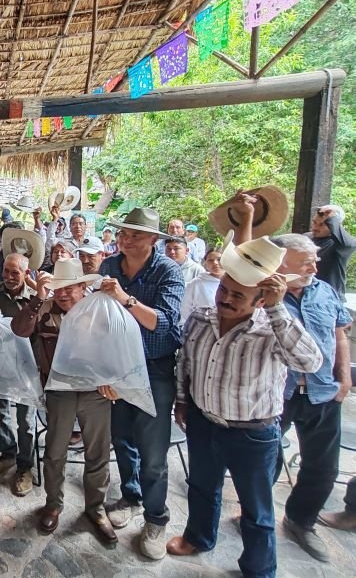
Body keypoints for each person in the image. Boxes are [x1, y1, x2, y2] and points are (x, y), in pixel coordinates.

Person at [168, 239, 321, 578]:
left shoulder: (272, 331)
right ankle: (199, 537)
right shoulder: (201, 319)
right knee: (202, 487)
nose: (225, 298)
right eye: (224, 289)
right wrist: (182, 401)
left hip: (253, 433)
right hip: (204, 422)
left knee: (256, 509)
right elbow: (186, 364)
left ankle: (258, 569)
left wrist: (278, 309)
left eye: (238, 296)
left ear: (261, 300)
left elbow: (310, 361)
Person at [98, 208, 184, 559]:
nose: (125, 239)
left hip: (154, 370)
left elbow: (165, 327)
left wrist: (126, 299)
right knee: (121, 439)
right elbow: (100, 322)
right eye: (122, 233)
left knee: (153, 453)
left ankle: (156, 517)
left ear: (154, 240)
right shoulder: (108, 267)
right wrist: (104, 370)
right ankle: (131, 497)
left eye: (134, 234)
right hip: (117, 368)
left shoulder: (168, 271)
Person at [12, 259, 116, 545]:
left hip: (96, 391)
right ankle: (53, 504)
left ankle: (95, 508)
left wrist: (115, 378)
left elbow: (118, 343)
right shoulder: (44, 308)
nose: (63, 293)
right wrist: (37, 298)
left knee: (98, 453)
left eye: (70, 288)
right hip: (60, 390)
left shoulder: (99, 308)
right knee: (55, 451)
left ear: (83, 286)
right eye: (59, 288)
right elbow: (19, 330)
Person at [270, 233, 351, 562]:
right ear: (281, 263)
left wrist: (344, 378)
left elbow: (340, 335)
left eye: (315, 260)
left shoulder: (325, 291)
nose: (315, 266)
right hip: (278, 393)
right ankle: (255, 514)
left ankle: (300, 520)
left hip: (322, 392)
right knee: (265, 460)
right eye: (307, 262)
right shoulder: (264, 295)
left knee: (322, 467)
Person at [0, 253, 36, 497]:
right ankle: (8, 453)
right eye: (6, 271)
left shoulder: (35, 297)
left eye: (16, 273)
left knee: (25, 419)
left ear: (26, 274)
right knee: (0, 412)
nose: (10, 277)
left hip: (25, 367)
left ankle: (25, 467)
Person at [309, 204, 356, 296]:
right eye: (314, 222)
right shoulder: (306, 238)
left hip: (329, 298)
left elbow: (349, 244)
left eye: (321, 225)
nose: (315, 228)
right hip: (307, 296)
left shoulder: (340, 246)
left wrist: (333, 218)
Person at [181, 248, 224, 324]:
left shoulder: (235, 283)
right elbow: (185, 310)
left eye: (219, 259)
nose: (215, 263)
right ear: (205, 263)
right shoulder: (196, 284)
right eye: (210, 260)